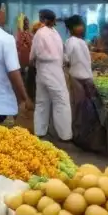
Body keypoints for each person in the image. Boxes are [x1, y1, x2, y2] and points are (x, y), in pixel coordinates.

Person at [65, 15, 106, 152]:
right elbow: (66, 59)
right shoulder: (70, 42)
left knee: (88, 109)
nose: (81, 27)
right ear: (71, 28)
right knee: (79, 108)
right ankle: (79, 137)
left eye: (82, 24)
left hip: (87, 78)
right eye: (78, 25)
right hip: (77, 78)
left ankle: (88, 137)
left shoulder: (81, 41)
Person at [30, 9, 72, 141]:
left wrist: (32, 64)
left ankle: (40, 131)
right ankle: (65, 135)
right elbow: (62, 54)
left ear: (44, 19)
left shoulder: (39, 34)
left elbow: (32, 56)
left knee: (42, 101)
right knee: (61, 100)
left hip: (42, 70)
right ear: (52, 20)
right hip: (54, 70)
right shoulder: (56, 34)